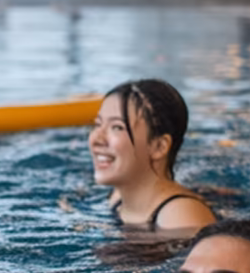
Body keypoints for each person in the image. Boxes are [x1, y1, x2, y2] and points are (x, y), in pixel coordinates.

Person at [89, 79, 214, 231]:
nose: (96, 139)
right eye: (97, 124)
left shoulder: (181, 218)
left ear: (158, 147)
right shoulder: (118, 198)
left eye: (117, 127)